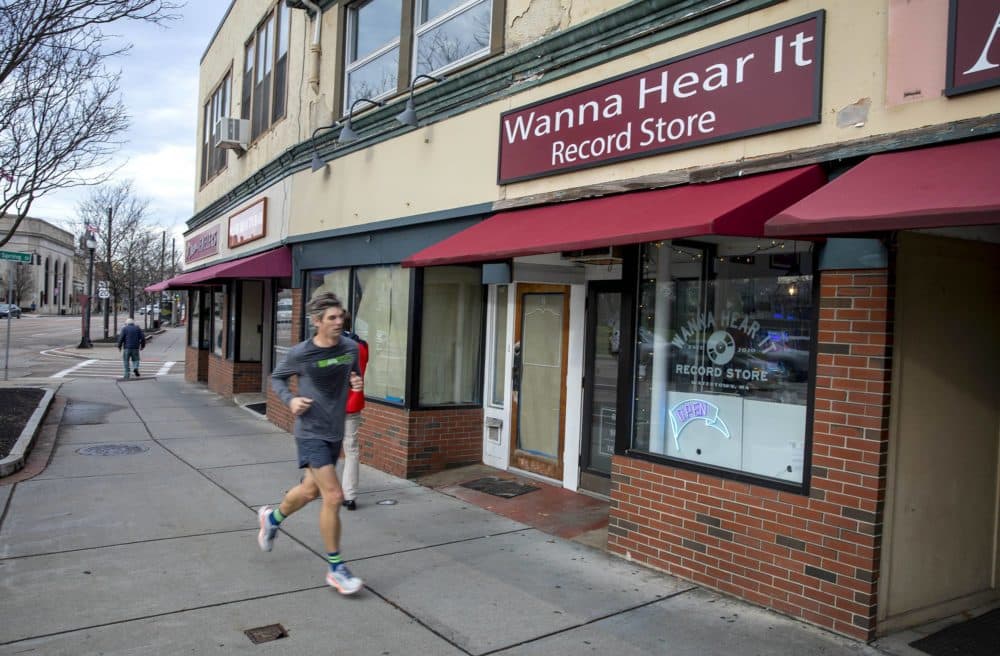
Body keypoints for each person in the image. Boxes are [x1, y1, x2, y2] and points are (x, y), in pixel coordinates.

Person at [258, 292, 365, 595]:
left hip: (334, 431)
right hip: (310, 431)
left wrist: (356, 382)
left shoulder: (350, 348)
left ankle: (272, 518)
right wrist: (290, 401)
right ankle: (336, 568)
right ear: (317, 322)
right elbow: (276, 378)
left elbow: (353, 374)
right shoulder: (300, 353)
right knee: (333, 495)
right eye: (332, 318)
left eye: (341, 316)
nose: (339, 322)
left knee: (308, 491)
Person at [341, 311, 368, 511]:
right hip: (353, 403)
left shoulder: (334, 346)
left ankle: (313, 482)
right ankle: (349, 496)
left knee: (324, 446)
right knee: (351, 450)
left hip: (331, 405)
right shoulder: (363, 346)